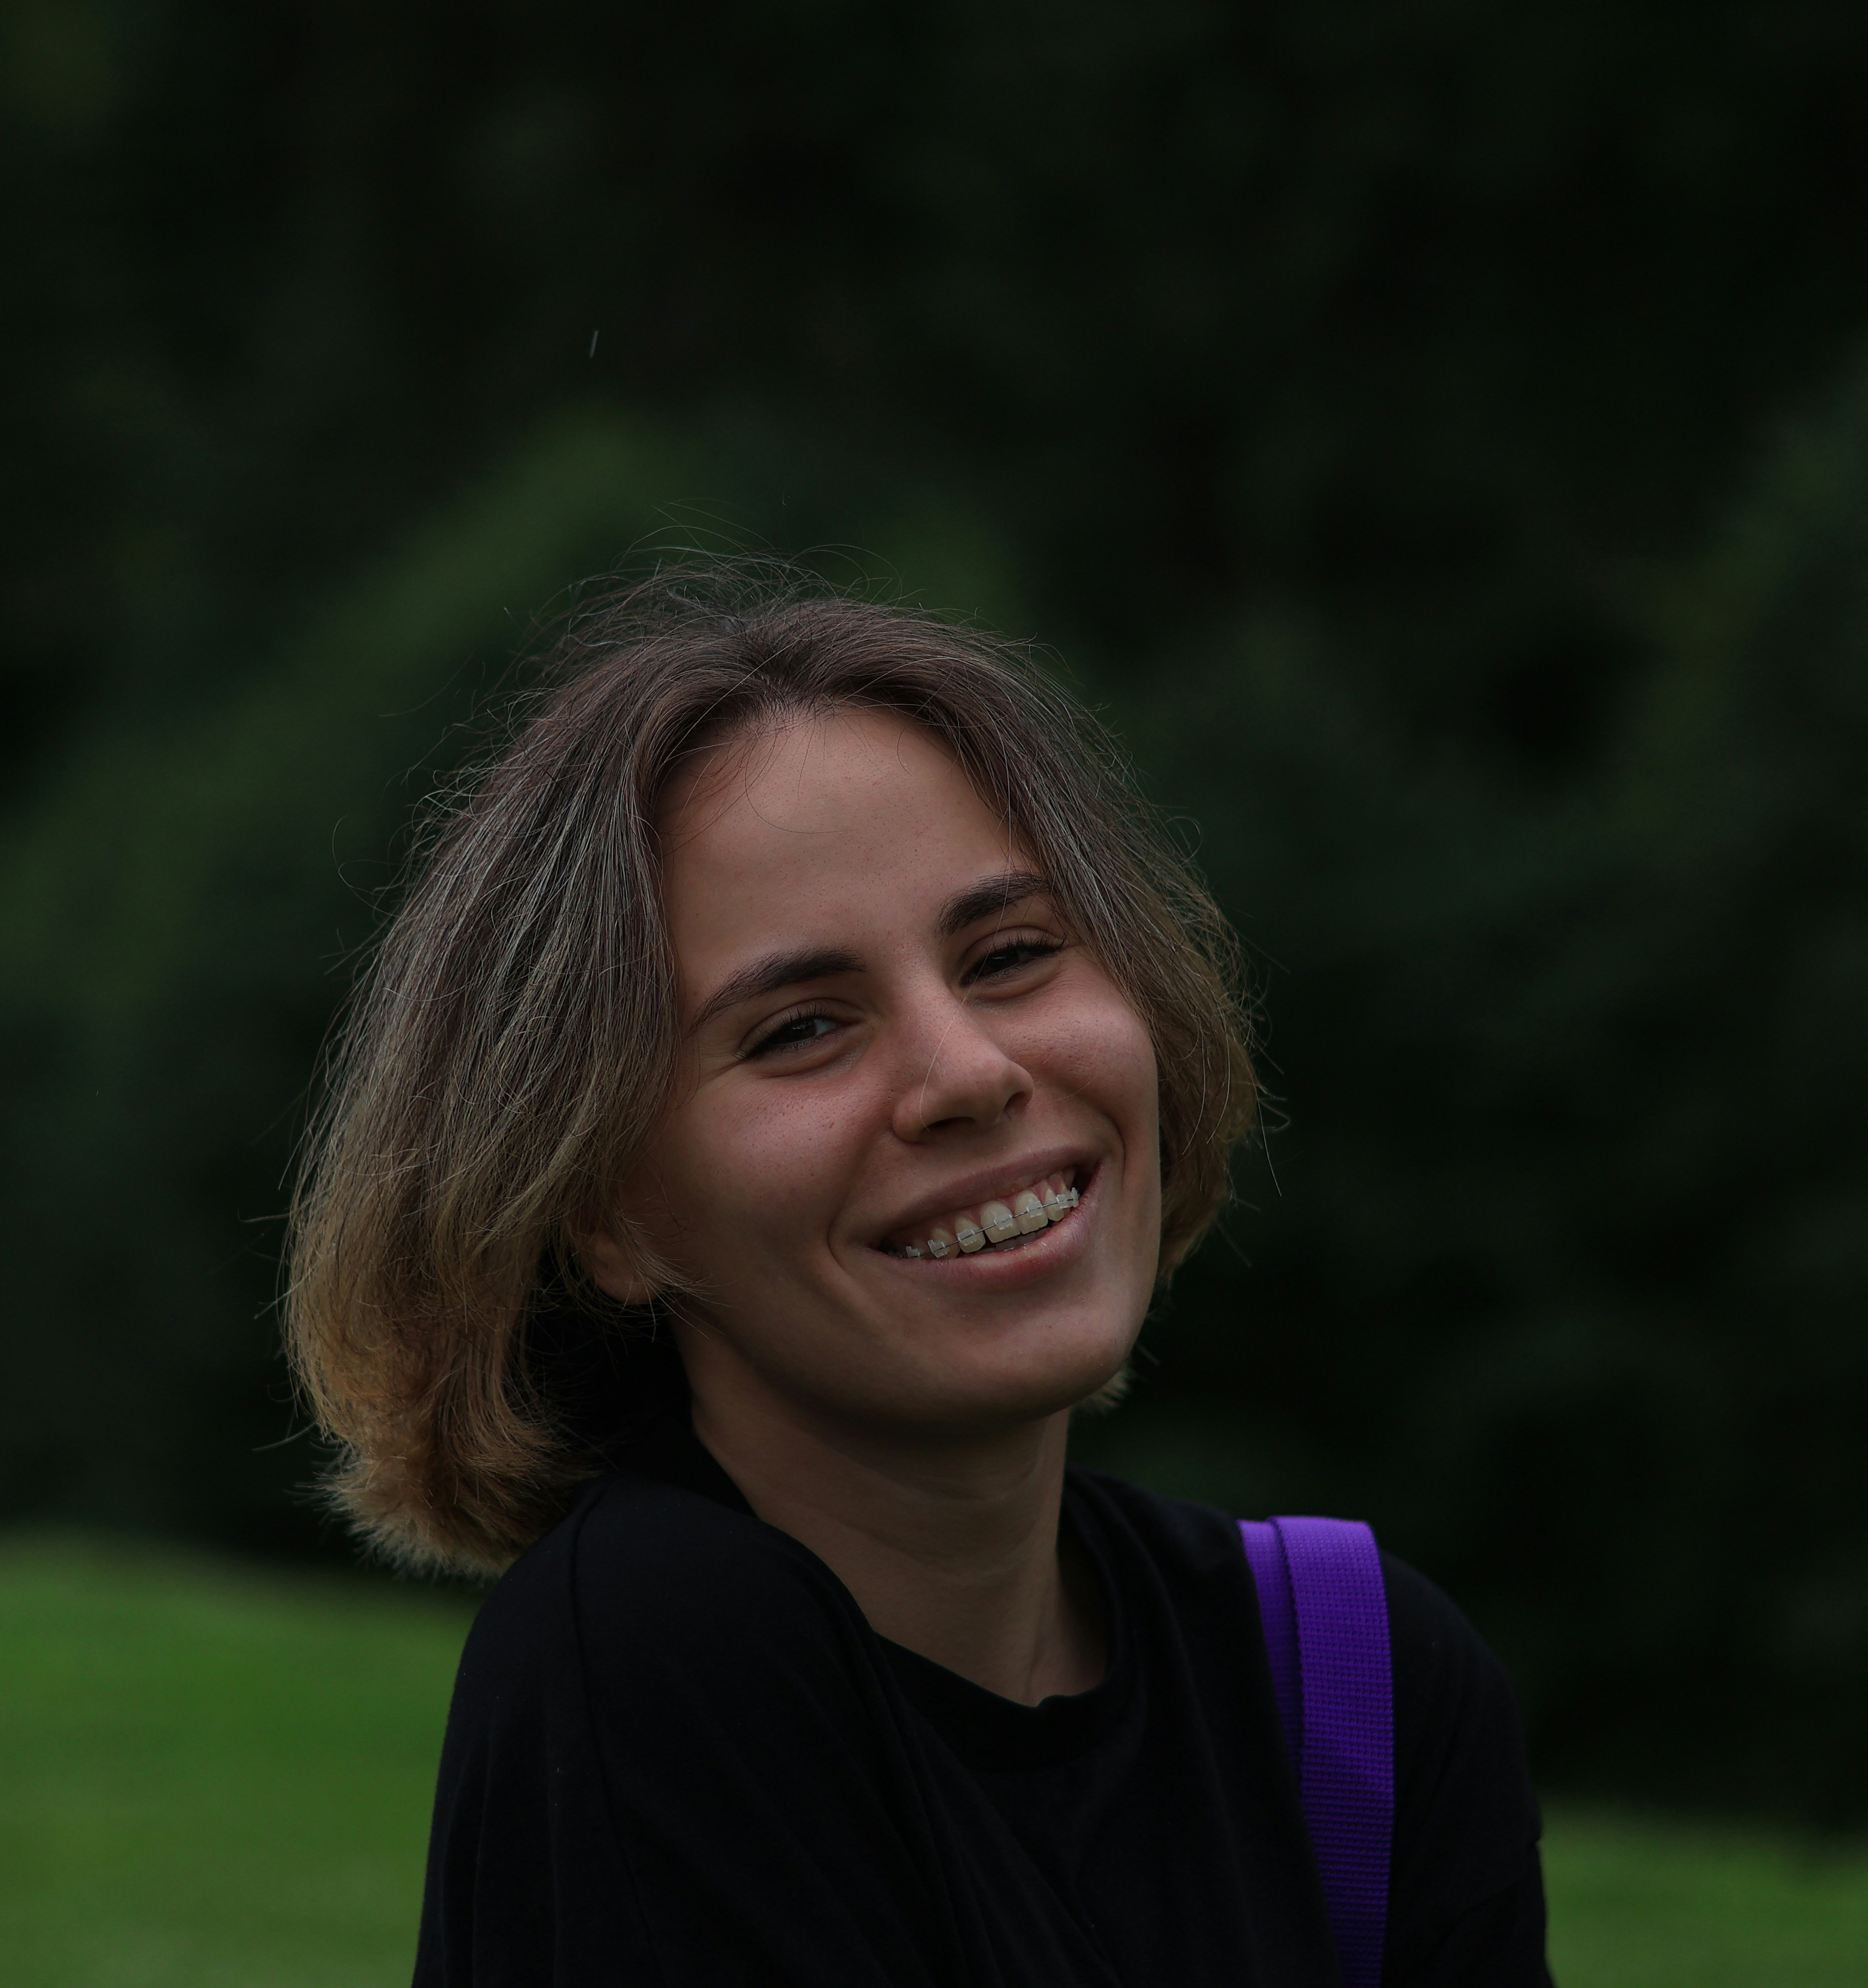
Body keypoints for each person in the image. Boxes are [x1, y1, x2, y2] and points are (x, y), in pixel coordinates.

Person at [287, 567, 1548, 1987]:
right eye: (804, 1029)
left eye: (1011, 955)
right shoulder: (655, 1652)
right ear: (604, 1216)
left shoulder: (1353, 1683)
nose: (969, 1073)